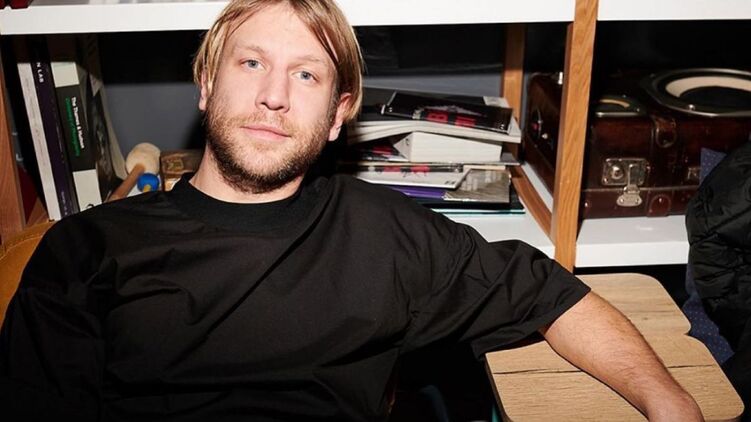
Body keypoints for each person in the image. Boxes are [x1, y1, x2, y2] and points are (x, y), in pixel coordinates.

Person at [0, 0, 702, 420]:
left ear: (338, 115)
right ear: (206, 85)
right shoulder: (90, 249)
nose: (274, 96)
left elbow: (553, 295)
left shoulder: (383, 232)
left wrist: (667, 401)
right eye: (251, 64)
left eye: (305, 74)